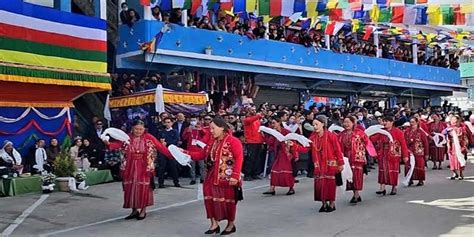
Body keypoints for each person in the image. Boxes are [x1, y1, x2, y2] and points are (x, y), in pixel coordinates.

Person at [182, 117, 243, 235]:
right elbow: (201, 154)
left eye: (213, 128)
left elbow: (239, 158)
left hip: (227, 177)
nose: (211, 131)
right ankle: (214, 224)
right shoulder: (212, 142)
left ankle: (231, 225)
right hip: (211, 175)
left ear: (222, 128)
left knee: (228, 201)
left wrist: (235, 176)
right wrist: (185, 152)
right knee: (209, 199)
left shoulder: (233, 141)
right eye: (210, 128)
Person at [105, 120, 172, 220]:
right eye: (136, 129)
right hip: (130, 166)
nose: (138, 131)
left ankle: (143, 210)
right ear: (132, 128)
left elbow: (160, 147)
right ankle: (134, 210)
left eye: (141, 129)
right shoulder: (126, 138)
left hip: (144, 166)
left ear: (144, 129)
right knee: (131, 187)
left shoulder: (149, 137)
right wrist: (108, 143)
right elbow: (116, 145)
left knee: (143, 187)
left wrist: (172, 155)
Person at [299, 115, 344, 213]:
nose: (314, 127)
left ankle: (332, 203)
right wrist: (293, 146)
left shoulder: (331, 136)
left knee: (330, 184)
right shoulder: (313, 137)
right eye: (313, 124)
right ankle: (323, 204)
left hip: (330, 164)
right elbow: (306, 148)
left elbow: (337, 150)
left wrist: (340, 163)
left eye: (316, 124)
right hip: (318, 164)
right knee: (320, 184)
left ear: (323, 124)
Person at [263, 117, 298, 196]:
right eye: (272, 123)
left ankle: (291, 188)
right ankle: (272, 188)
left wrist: (295, 154)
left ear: (279, 122)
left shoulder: (286, 132)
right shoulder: (274, 133)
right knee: (274, 170)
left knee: (288, 171)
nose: (273, 125)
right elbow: (270, 142)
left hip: (287, 155)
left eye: (274, 123)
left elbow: (293, 143)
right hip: (278, 154)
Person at [339, 116, 370, 204]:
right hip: (346, 157)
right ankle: (355, 194)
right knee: (349, 175)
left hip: (357, 157)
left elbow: (366, 143)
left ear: (353, 123)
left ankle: (356, 194)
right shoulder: (341, 134)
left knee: (357, 175)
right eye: (345, 122)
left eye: (348, 122)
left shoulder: (360, 133)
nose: (346, 124)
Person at [376, 115, 409, 196]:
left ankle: (394, 187)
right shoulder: (381, 131)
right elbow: (374, 139)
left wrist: (405, 155)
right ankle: (382, 188)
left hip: (394, 154)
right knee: (382, 170)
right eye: (383, 121)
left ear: (391, 122)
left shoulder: (398, 132)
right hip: (383, 153)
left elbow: (403, 144)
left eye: (386, 121)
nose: (384, 123)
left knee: (393, 171)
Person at [182, 115, 208, 184]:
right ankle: (193, 179)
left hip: (200, 150)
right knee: (192, 166)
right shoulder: (187, 128)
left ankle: (203, 178)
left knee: (202, 166)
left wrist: (201, 129)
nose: (193, 122)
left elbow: (206, 134)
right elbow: (184, 138)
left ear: (197, 120)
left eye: (194, 120)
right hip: (190, 150)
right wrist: (188, 131)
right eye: (192, 120)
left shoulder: (200, 128)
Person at [404, 117, 429, 186]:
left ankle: (420, 180)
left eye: (413, 122)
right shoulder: (407, 131)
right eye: (410, 122)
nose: (411, 124)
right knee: (408, 166)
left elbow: (425, 143)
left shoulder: (421, 132)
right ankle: (409, 179)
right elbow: (404, 142)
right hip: (409, 152)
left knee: (419, 166)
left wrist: (427, 153)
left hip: (419, 152)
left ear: (417, 122)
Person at [157, 117, 181, 188]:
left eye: (168, 122)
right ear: (163, 123)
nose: (167, 124)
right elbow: (158, 140)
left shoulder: (175, 131)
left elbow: (176, 140)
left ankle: (176, 182)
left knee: (173, 167)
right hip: (162, 151)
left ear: (171, 123)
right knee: (162, 167)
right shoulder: (161, 132)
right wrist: (161, 142)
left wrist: (167, 143)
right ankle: (161, 183)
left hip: (172, 151)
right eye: (166, 122)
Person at [243, 106, 264, 181]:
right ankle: (247, 174)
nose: (254, 111)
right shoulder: (246, 119)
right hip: (251, 141)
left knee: (257, 158)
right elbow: (249, 121)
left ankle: (255, 173)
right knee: (250, 158)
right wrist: (258, 116)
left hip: (258, 141)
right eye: (252, 110)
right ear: (248, 111)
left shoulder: (256, 119)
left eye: (254, 110)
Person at [446, 115, 468, 180]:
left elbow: (465, 138)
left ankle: (461, 174)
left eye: (455, 120)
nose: (454, 122)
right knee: (452, 160)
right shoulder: (449, 129)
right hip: (452, 146)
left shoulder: (461, 129)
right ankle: (455, 173)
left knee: (459, 159)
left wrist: (464, 146)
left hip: (459, 146)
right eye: (452, 120)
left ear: (458, 121)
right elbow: (446, 138)